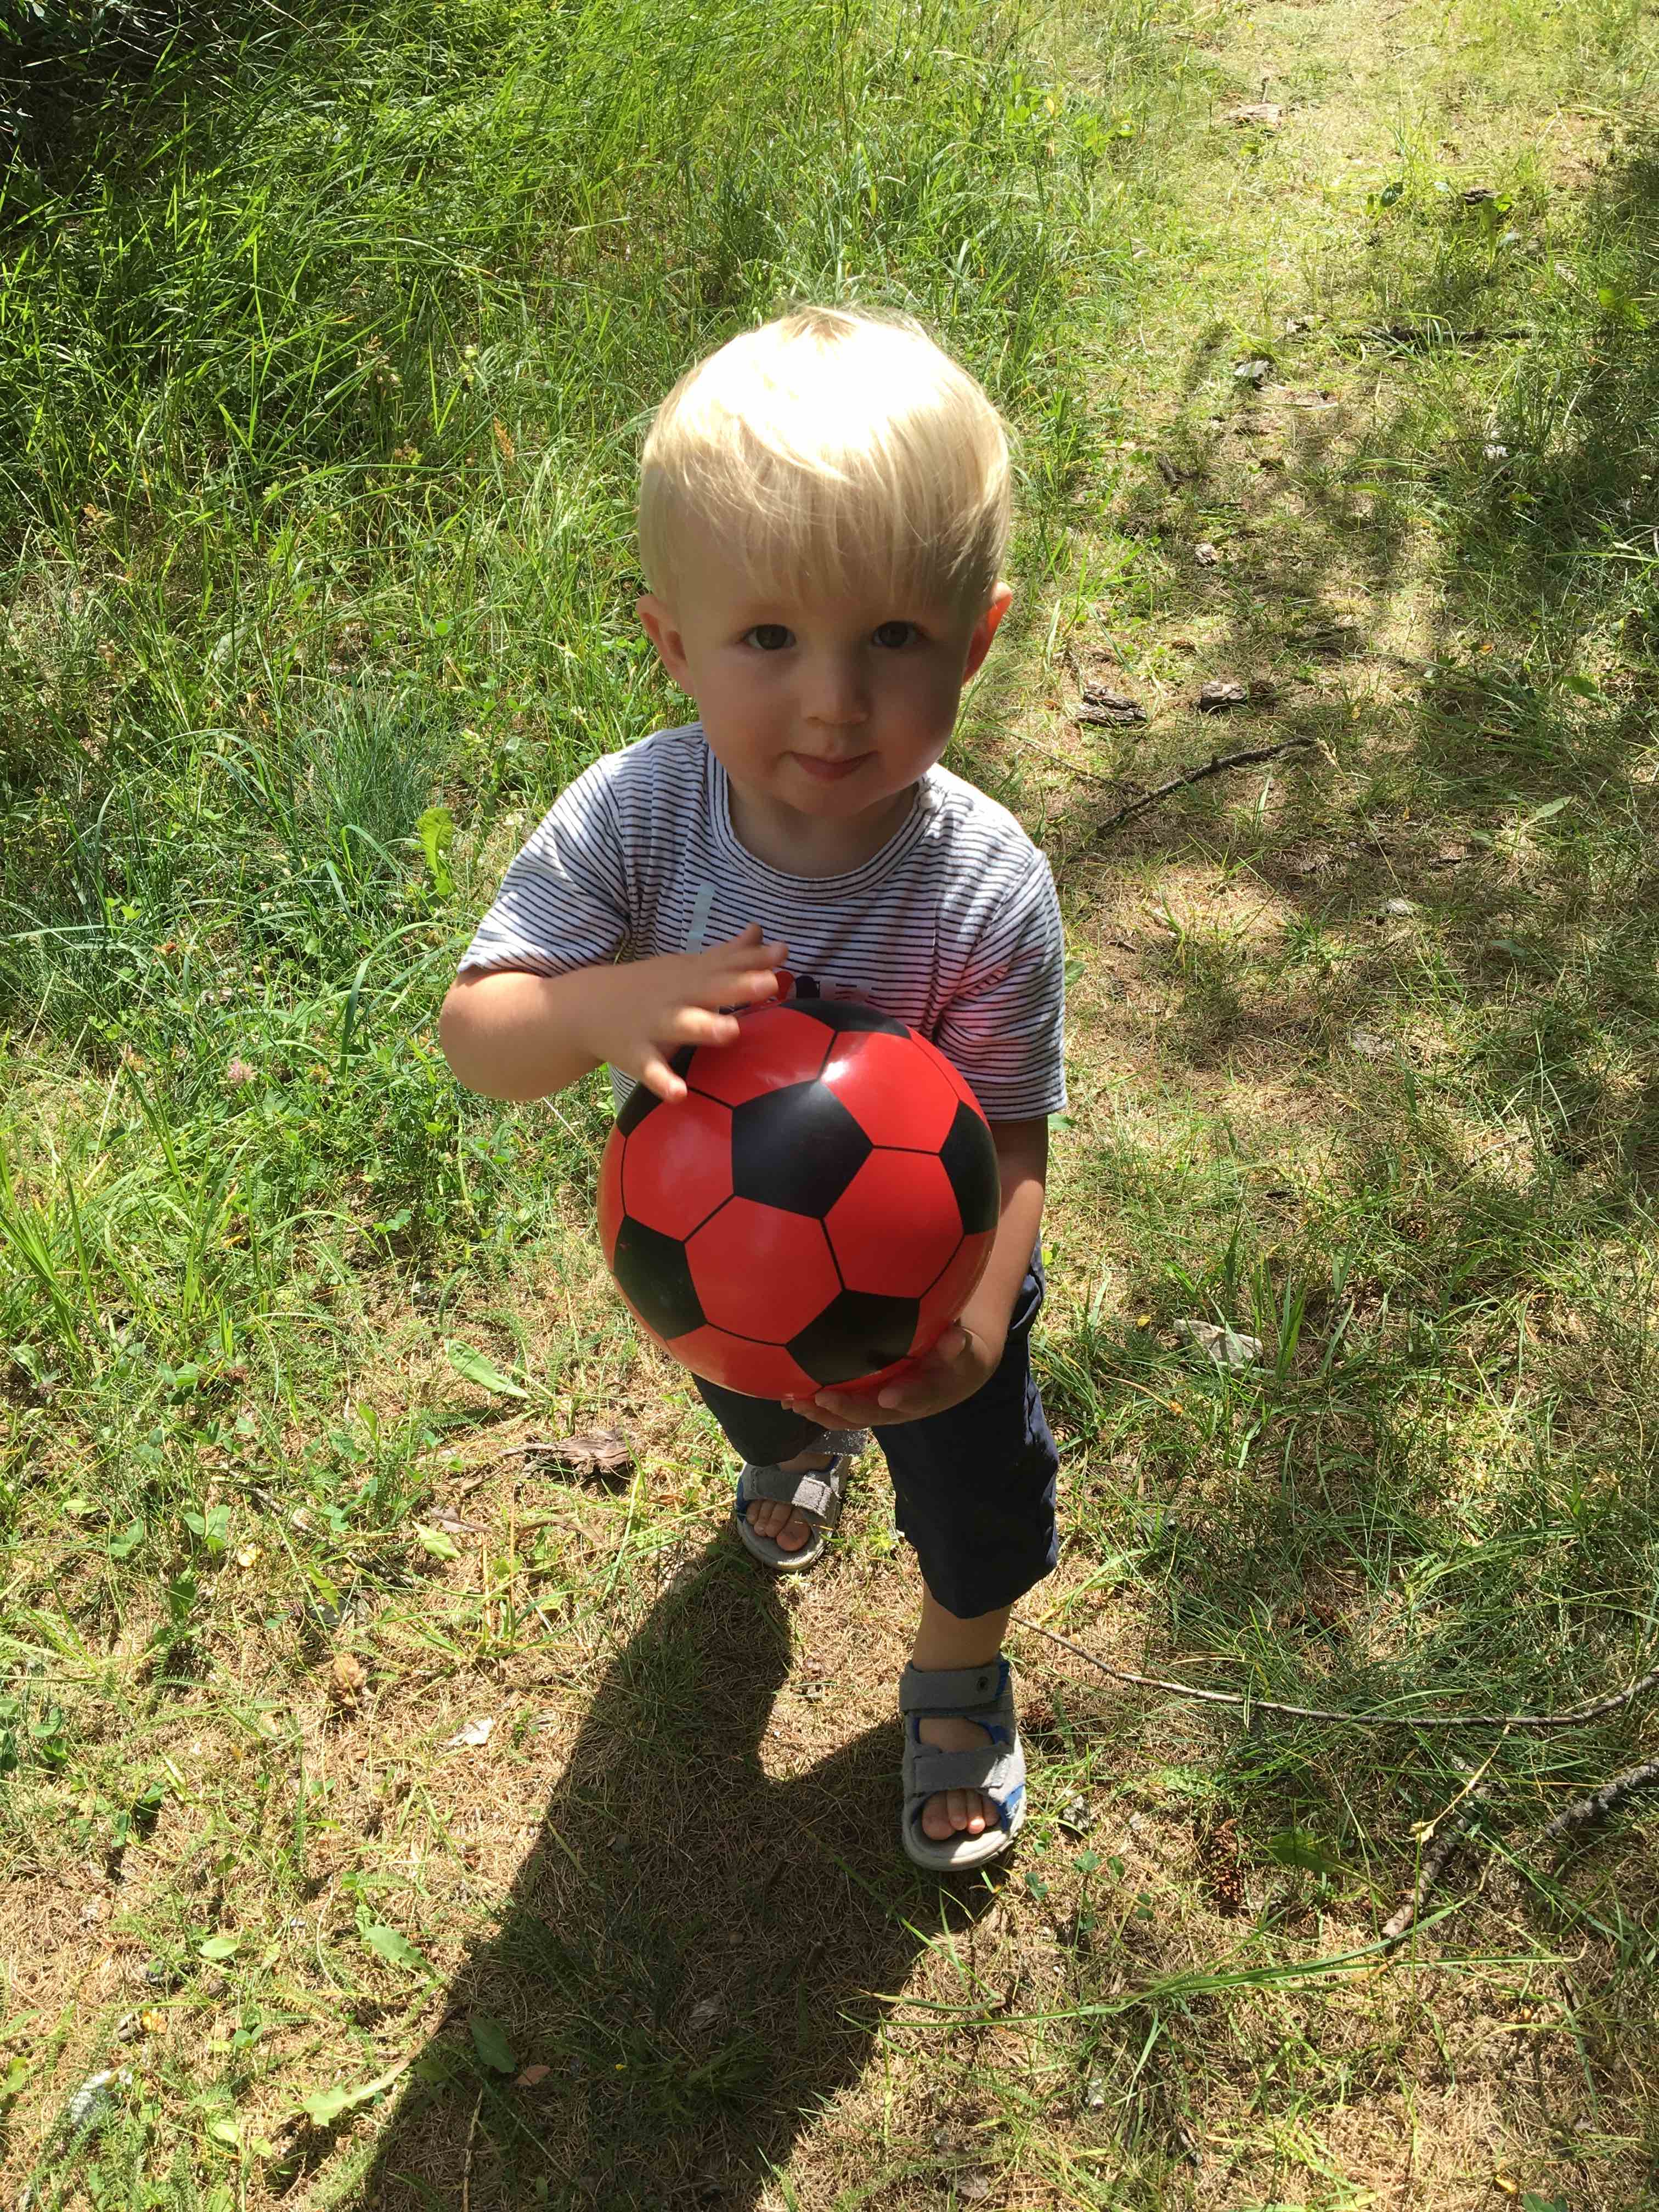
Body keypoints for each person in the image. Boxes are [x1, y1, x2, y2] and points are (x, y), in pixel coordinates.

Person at [439, 306, 1065, 1870]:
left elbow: (1008, 1124)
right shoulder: (640, 822)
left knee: (980, 1499)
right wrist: (595, 1001)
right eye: (770, 640)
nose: (835, 703)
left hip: (944, 1292)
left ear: (975, 640)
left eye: (895, 642)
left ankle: (956, 1664)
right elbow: (479, 1036)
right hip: (717, 1272)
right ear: (673, 643)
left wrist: (978, 1325)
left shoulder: (985, 888)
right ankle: (792, 1451)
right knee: (755, 1398)